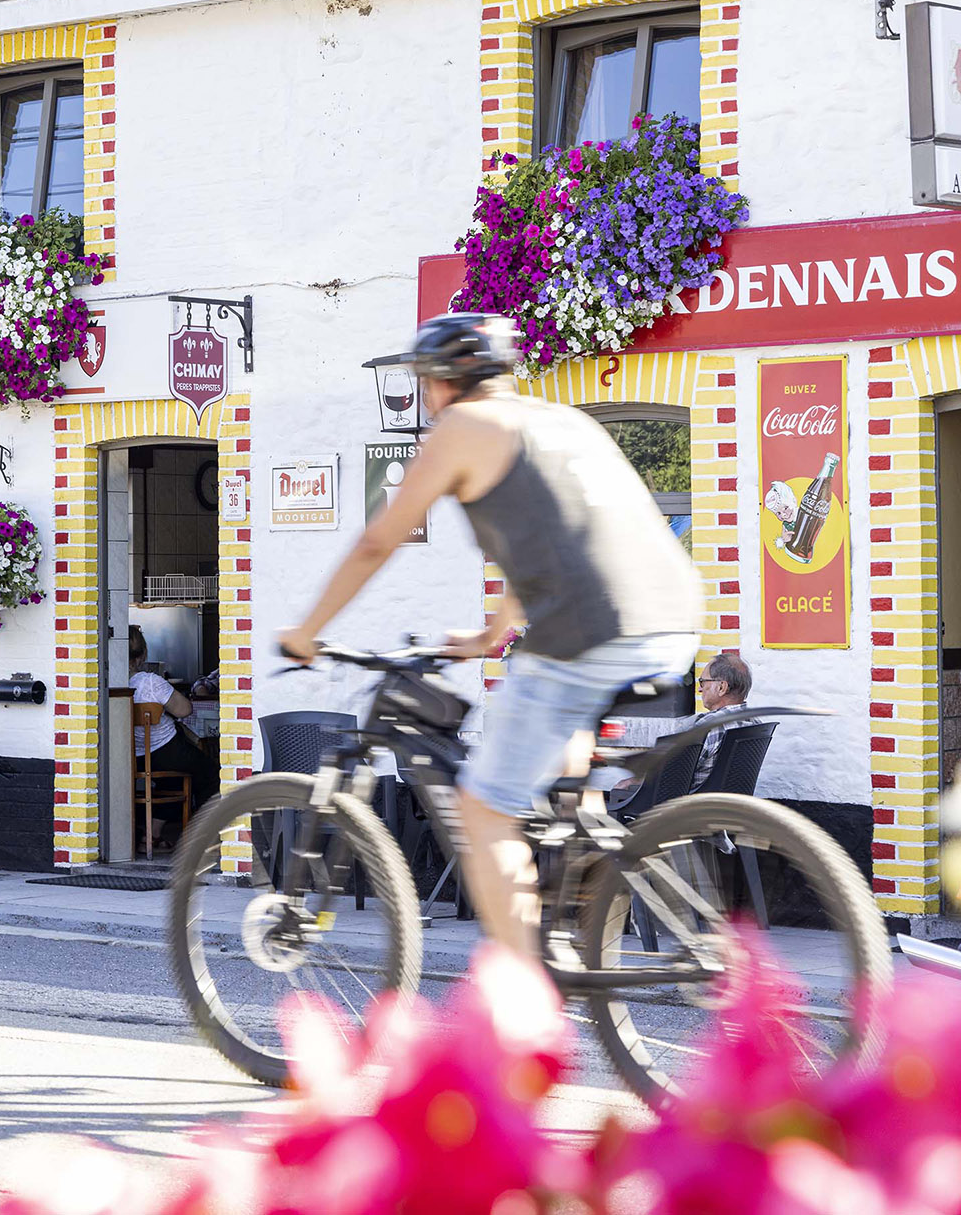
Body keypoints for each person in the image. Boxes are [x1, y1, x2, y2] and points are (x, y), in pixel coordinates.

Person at [277, 314, 700, 963]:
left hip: (590, 632)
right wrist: (493, 633)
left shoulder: (462, 428)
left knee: (484, 807)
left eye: (425, 382)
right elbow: (555, 540)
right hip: (671, 618)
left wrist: (308, 631)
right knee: (561, 760)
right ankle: (579, 881)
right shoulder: (561, 420)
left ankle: (524, 996)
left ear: (447, 381)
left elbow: (376, 541)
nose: (424, 396)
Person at [127, 625, 219, 834]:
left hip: (133, 757)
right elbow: (184, 710)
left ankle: (154, 832)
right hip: (166, 750)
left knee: (177, 778)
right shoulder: (150, 682)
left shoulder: (106, 683)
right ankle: (207, 834)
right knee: (208, 771)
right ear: (141, 656)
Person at [689, 652, 755, 789]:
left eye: (702, 682)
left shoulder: (709, 726)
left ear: (721, 687)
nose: (700, 689)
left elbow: (674, 774)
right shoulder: (754, 721)